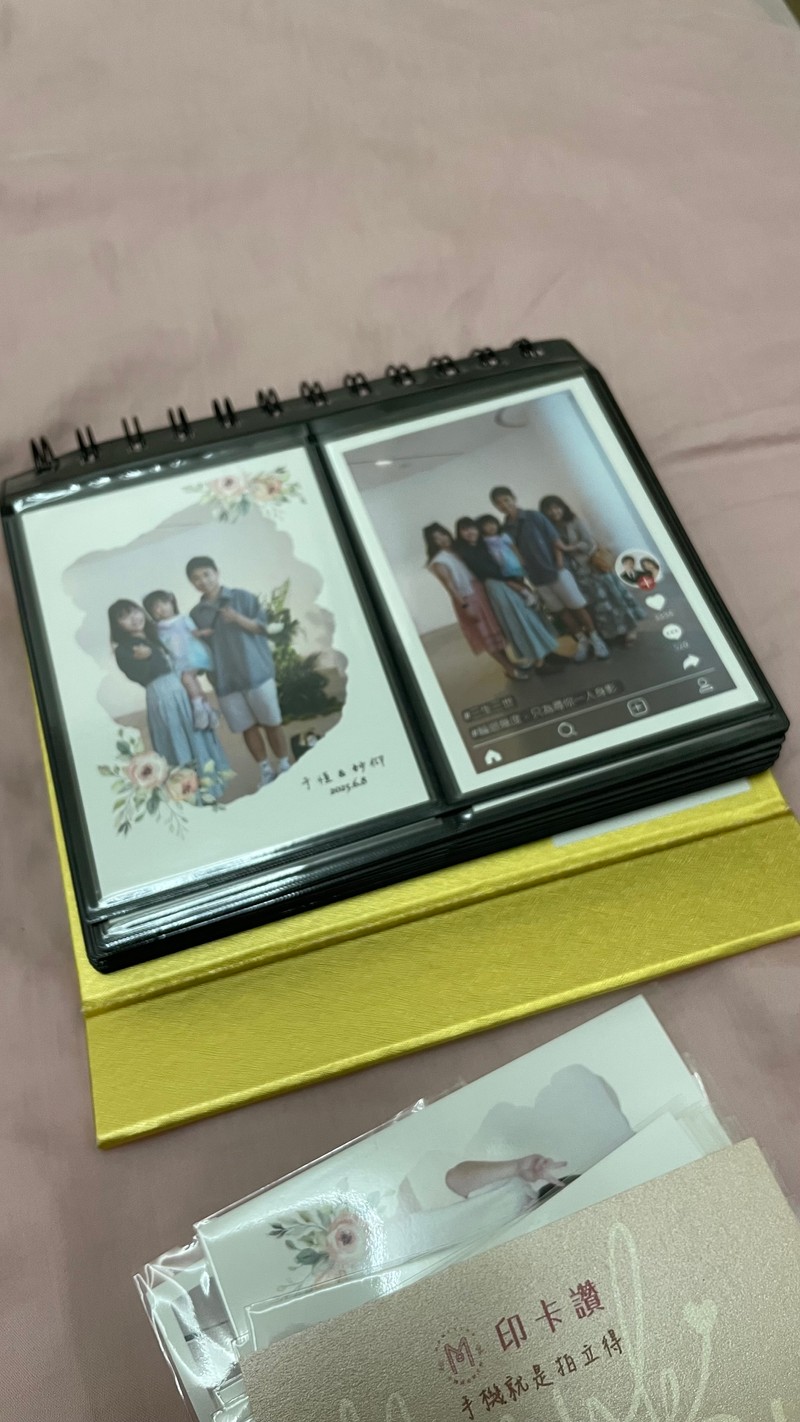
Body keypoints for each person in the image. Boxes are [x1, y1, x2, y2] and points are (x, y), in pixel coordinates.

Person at [186, 556, 291, 788]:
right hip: (224, 680)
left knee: (272, 722)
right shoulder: (195, 614)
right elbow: (198, 652)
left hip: (256, 673)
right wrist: (198, 639)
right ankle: (265, 770)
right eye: (196, 578)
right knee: (246, 727)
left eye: (206, 574)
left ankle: (285, 765)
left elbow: (263, 629)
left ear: (216, 572)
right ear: (192, 583)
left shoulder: (242, 597)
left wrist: (237, 618)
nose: (203, 581)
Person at [108, 599, 229, 792]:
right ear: (117, 625)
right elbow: (139, 675)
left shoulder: (155, 635)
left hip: (181, 688)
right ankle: (189, 792)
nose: (133, 618)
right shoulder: (123, 650)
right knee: (177, 739)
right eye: (123, 617)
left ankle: (210, 787)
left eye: (134, 611)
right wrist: (148, 658)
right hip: (162, 695)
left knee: (197, 734)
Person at [490, 486, 610, 662]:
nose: (504, 505)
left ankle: (596, 639)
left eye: (506, 500)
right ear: (496, 507)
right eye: (499, 503)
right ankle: (582, 641)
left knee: (577, 606)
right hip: (537, 578)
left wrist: (559, 562)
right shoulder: (505, 529)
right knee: (560, 612)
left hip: (557, 571)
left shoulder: (534, 516)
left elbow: (554, 538)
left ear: (513, 498)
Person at [453, 518, 566, 675]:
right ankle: (539, 664)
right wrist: (515, 584)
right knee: (520, 621)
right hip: (499, 585)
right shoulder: (467, 552)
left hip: (506, 582)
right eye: (464, 530)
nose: (469, 532)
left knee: (530, 617)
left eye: (471, 528)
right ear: (459, 534)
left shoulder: (482, 545)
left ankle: (546, 654)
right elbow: (487, 571)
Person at [538, 497, 646, 647]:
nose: (553, 511)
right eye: (549, 509)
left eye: (556, 507)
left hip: (591, 565)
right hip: (575, 573)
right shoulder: (549, 530)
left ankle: (630, 629)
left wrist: (569, 548)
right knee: (595, 605)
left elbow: (588, 542)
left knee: (612, 598)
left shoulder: (574, 521)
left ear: (563, 507)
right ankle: (611, 632)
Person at [424, 523, 527, 681]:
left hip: (480, 591)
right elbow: (450, 587)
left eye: (443, 534)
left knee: (494, 632)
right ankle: (509, 669)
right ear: (432, 543)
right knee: (484, 635)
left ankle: (510, 664)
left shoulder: (458, 551)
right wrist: (465, 606)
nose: (442, 539)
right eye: (436, 539)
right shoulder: (439, 561)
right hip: (467, 598)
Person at [142, 589, 218, 730]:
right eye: (155, 607)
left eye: (164, 603)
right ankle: (208, 710)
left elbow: (194, 632)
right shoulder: (157, 628)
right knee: (194, 684)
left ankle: (198, 708)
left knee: (187, 678)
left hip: (192, 655)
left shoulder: (182, 619)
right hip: (177, 659)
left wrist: (203, 632)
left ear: (172, 603)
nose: (161, 609)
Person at [476, 514, 537, 605]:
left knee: (520, 580)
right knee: (512, 581)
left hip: (511, 562)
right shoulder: (484, 540)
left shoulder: (503, 536)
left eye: (492, 524)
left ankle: (531, 595)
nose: (491, 527)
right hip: (501, 564)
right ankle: (529, 595)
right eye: (486, 526)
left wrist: (520, 559)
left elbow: (513, 547)